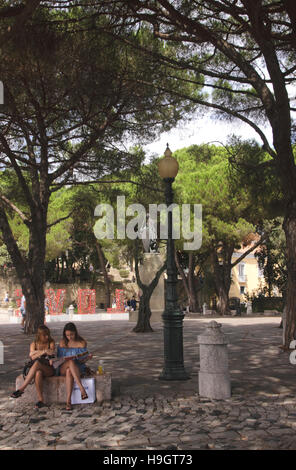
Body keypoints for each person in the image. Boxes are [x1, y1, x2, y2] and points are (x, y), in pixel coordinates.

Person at [10, 325, 55, 408]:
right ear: (39, 335)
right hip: (37, 369)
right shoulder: (33, 344)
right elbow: (32, 357)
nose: (47, 336)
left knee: (37, 363)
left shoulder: (51, 342)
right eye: (44, 335)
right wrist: (44, 351)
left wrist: (36, 352)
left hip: (49, 369)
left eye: (48, 334)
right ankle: (41, 400)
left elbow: (50, 354)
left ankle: (22, 388)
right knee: (38, 373)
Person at [56, 322, 89, 411]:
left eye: (72, 335)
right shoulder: (63, 342)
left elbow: (83, 360)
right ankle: (81, 389)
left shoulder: (81, 343)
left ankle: (68, 401)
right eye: (67, 335)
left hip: (77, 367)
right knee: (70, 362)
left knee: (69, 371)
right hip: (63, 366)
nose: (69, 337)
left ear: (75, 333)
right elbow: (59, 359)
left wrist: (86, 358)